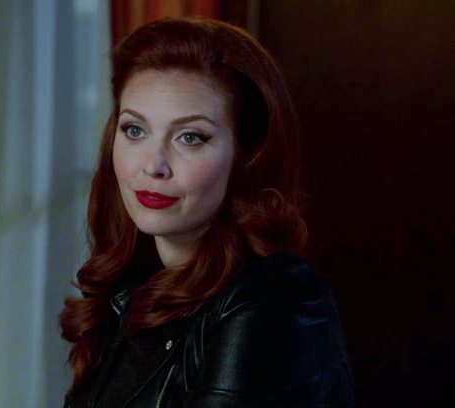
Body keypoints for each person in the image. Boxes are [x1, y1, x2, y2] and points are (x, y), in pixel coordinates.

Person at [60, 17, 355, 407]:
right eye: (135, 130)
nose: (153, 165)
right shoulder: (130, 287)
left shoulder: (274, 297)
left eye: (190, 137)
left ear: (247, 154)